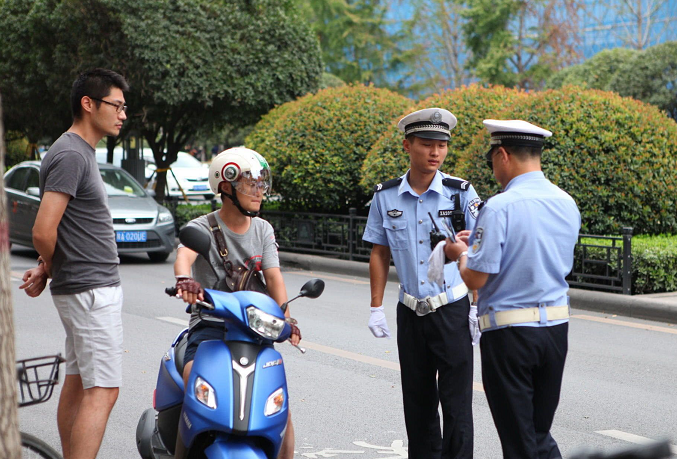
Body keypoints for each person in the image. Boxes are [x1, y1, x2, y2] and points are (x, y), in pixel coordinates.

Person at [444, 120, 581, 459]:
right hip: (555, 330)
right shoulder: (566, 202)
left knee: (519, 441)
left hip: (510, 335)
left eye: (492, 159)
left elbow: (476, 278)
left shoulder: (499, 206)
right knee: (537, 434)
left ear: (503, 155)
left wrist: (461, 253)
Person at [19, 68, 129, 459]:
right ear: (88, 104)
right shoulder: (70, 153)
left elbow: (66, 228)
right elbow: (42, 231)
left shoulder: (78, 151)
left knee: (79, 383)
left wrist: (47, 267)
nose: (123, 114)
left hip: (85, 288)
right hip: (91, 290)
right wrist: (51, 265)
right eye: (116, 105)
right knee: (104, 391)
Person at [363, 108, 481, 459]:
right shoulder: (386, 196)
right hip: (410, 312)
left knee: (457, 404)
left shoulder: (460, 193)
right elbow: (379, 252)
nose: (435, 152)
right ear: (407, 145)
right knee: (417, 402)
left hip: (452, 310)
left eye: (441, 145)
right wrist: (375, 307)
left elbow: (480, 251)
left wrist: (477, 306)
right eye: (427, 144)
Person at [173, 147, 300, 459]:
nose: (259, 192)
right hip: (210, 328)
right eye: (250, 184)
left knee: (280, 413)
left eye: (261, 184)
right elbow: (184, 256)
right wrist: (184, 280)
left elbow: (274, 277)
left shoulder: (263, 229)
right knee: (195, 387)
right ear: (226, 187)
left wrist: (286, 318)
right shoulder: (203, 226)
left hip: (254, 331)